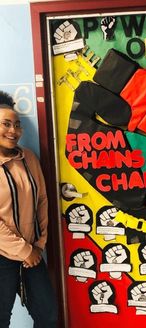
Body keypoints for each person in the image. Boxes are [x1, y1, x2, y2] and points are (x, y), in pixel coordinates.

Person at [0, 91, 58, 327]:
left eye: (17, 125)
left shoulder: (29, 158)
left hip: (32, 254)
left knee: (48, 315)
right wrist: (25, 250)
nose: (13, 131)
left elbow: (42, 201)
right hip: (4, 256)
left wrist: (39, 245)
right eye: (6, 124)